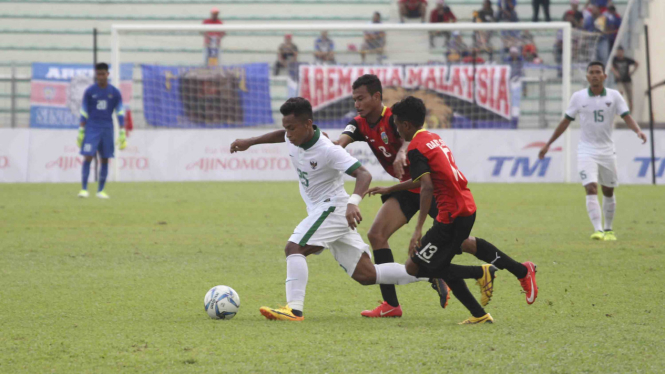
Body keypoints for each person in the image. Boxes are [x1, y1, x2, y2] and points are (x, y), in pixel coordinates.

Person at [229, 97, 489, 321]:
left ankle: (294, 310)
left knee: (293, 248)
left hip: (334, 209)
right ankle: (429, 275)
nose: (288, 134)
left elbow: (364, 175)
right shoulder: (293, 136)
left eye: (292, 128)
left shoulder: (328, 150)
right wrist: (250, 141)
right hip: (323, 211)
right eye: (285, 128)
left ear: (308, 124)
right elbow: (280, 135)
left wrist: (354, 203)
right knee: (366, 274)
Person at [335, 75, 539, 317]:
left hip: (428, 190)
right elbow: (341, 143)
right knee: (377, 234)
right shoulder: (358, 124)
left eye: (361, 98)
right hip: (407, 188)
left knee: (460, 243)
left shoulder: (395, 118)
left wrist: (402, 153)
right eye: (354, 99)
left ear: (377, 97)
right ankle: (391, 304)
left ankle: (515, 271)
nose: (357, 104)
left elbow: (411, 138)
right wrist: (327, 146)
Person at [387, 96, 539, 324]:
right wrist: (390, 188)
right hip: (465, 207)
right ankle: (492, 300)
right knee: (457, 251)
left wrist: (417, 229)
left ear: (406, 125)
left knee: (417, 267)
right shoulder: (432, 138)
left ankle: (484, 273)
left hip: (451, 217)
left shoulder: (415, 149)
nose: (397, 131)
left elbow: (427, 186)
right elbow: (425, 180)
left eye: (397, 125)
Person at [539, 62, 647, 241]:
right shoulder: (578, 97)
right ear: (587, 77)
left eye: (598, 72)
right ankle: (598, 230)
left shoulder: (614, 96)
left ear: (605, 76)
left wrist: (638, 131)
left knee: (608, 191)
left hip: (607, 151)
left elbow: (626, 116)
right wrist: (548, 143)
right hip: (586, 150)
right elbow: (565, 121)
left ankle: (609, 229)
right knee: (590, 187)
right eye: (591, 72)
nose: (595, 75)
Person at [77, 63, 126, 199]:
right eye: (98, 74)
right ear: (96, 75)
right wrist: (81, 130)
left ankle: (101, 190)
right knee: (88, 156)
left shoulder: (114, 93)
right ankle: (84, 189)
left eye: (103, 74)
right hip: (92, 128)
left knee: (104, 159)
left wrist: (122, 131)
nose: (101, 76)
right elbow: (84, 111)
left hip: (107, 128)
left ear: (107, 74)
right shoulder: (90, 91)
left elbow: (120, 112)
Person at [611, 47, 638, 111]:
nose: (619, 53)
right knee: (620, 92)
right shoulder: (614, 59)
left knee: (630, 97)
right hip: (619, 80)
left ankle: (631, 111)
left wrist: (632, 72)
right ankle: (620, 108)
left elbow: (637, 63)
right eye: (618, 52)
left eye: (620, 52)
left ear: (623, 52)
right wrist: (615, 72)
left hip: (627, 80)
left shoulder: (626, 59)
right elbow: (611, 67)